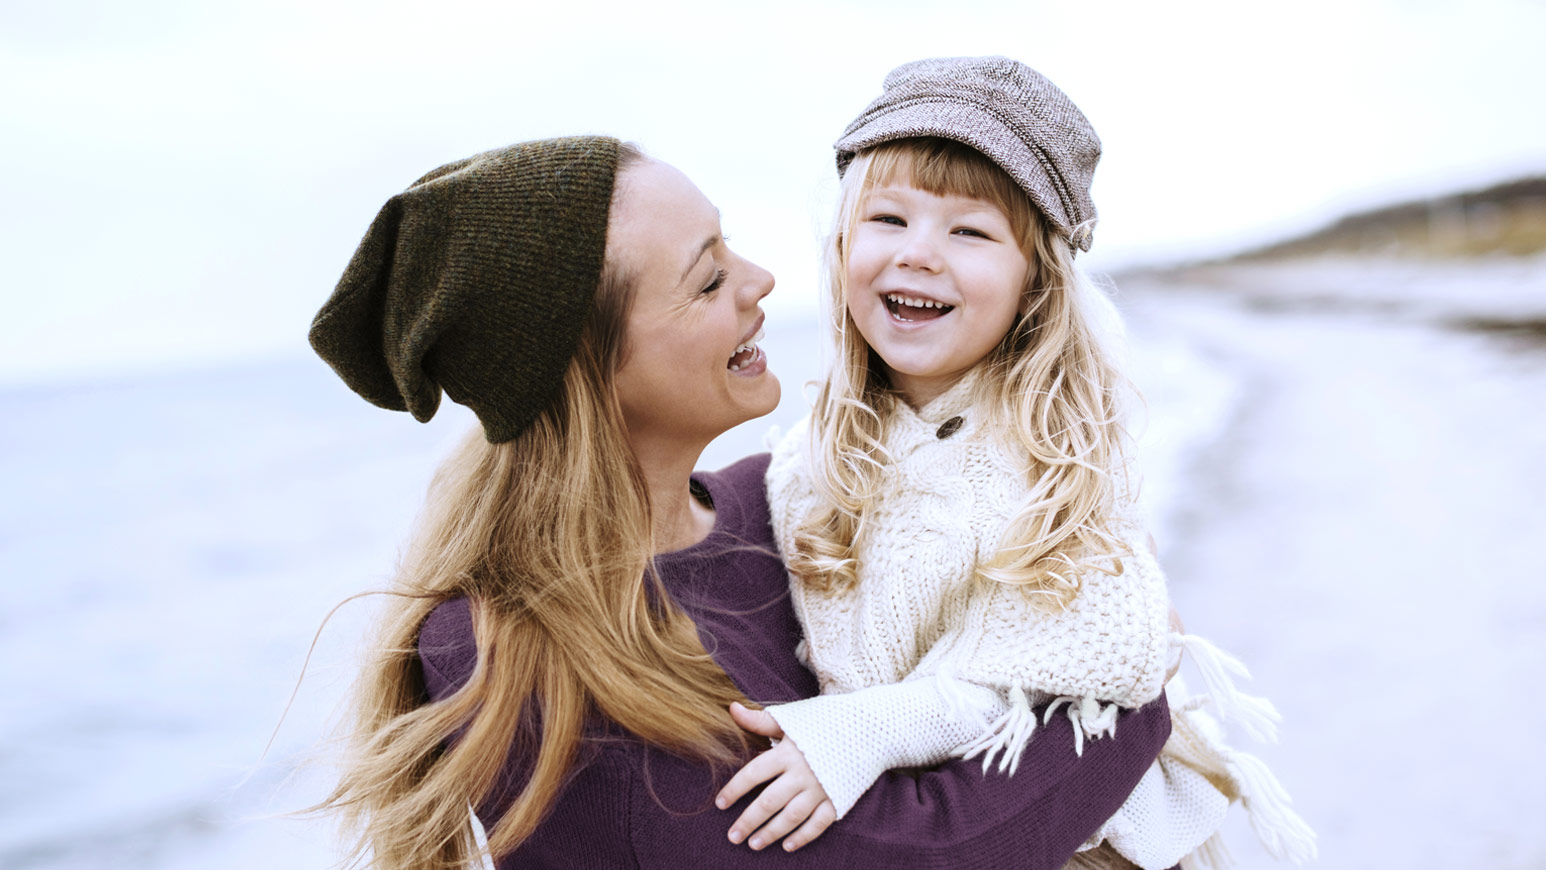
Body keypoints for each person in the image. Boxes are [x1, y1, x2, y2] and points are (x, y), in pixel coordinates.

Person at [306, 135, 1174, 869]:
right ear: (589, 370)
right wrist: (1137, 700)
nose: (759, 280)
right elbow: (906, 853)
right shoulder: (513, 657)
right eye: (708, 280)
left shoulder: (781, 501)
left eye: (730, 249)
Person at [719, 58, 1318, 869]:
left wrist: (857, 733)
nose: (919, 254)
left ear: (1035, 280)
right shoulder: (809, 455)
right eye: (888, 219)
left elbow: (1059, 670)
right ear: (842, 244)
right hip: (914, 825)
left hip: (1081, 837)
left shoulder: (1052, 461)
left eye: (969, 232)